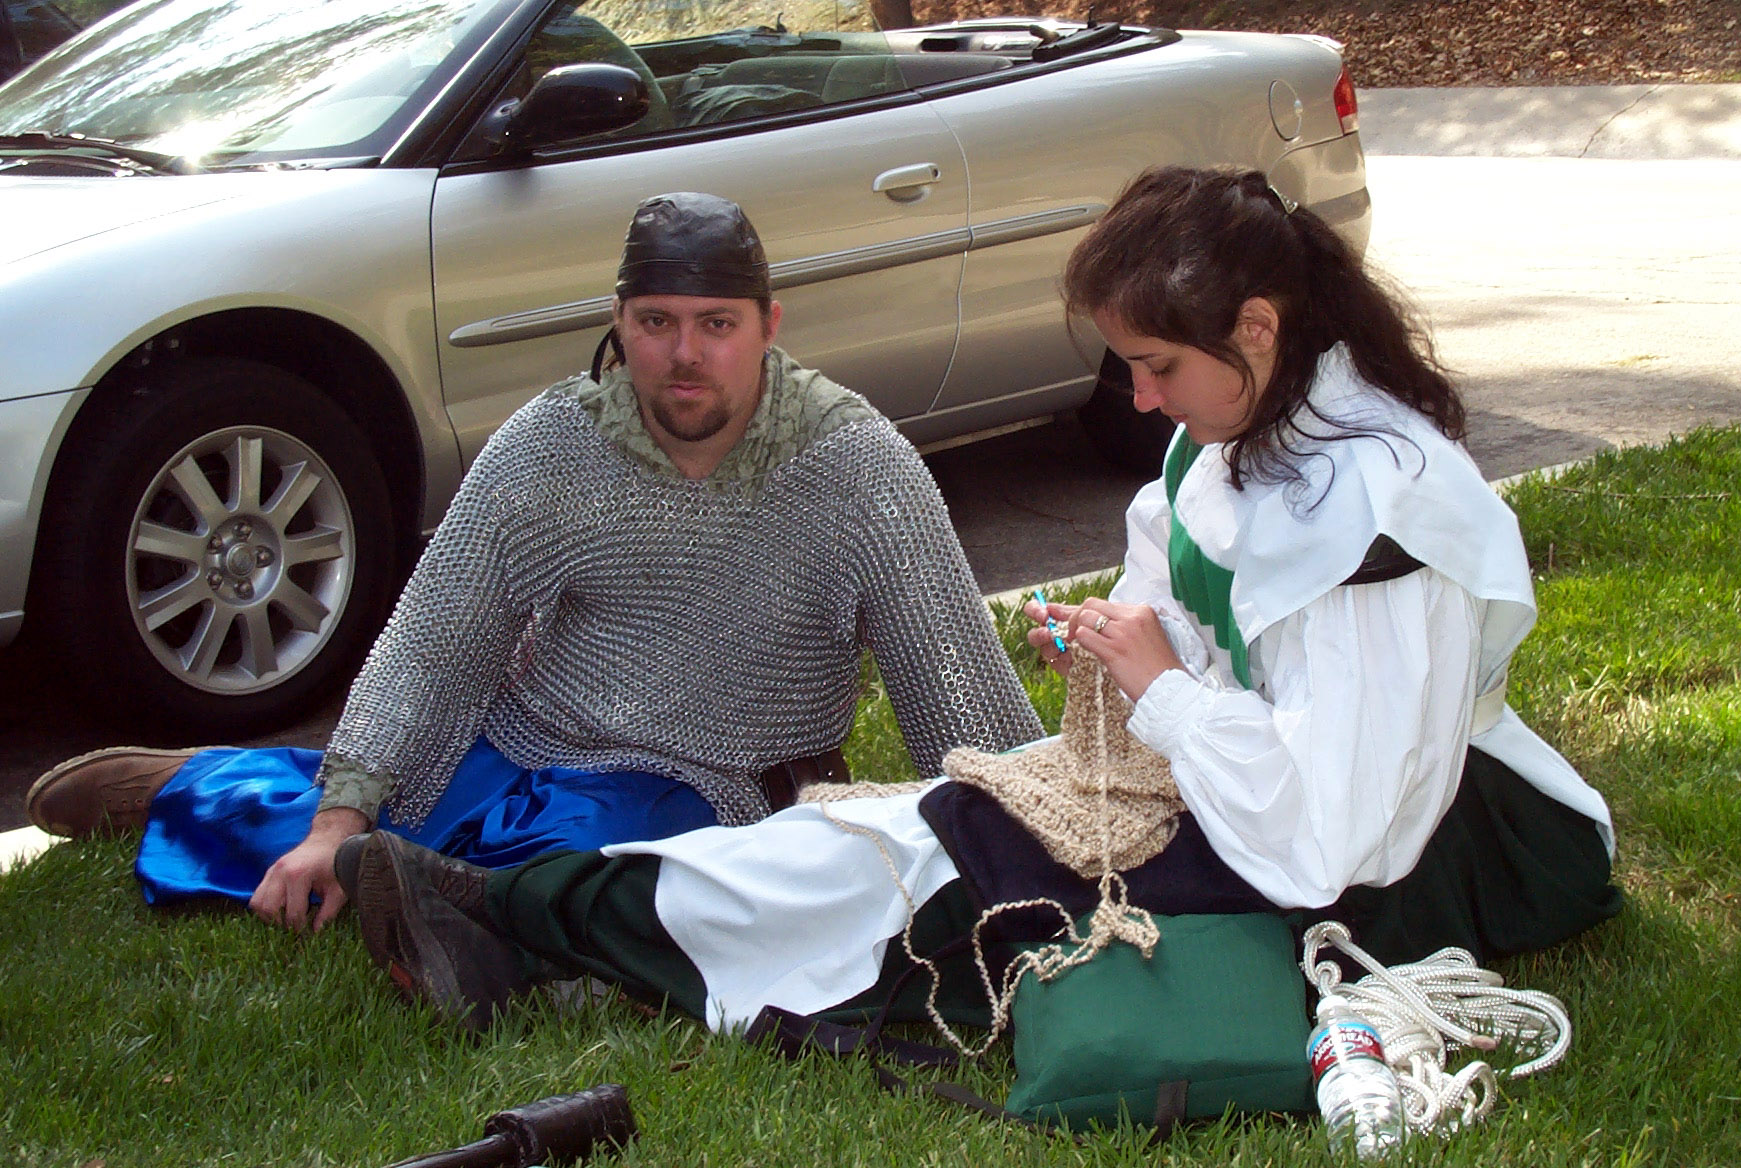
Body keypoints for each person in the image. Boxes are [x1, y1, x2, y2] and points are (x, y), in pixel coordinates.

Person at [326, 165, 1623, 1035]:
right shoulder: (1230, 438)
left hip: (1433, 847)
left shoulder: (1380, 507)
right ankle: (517, 915)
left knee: (948, 889)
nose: (1142, 401)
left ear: (1258, 331)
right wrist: (1122, 648)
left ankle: (526, 927)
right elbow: (1197, 622)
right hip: (1244, 793)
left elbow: (1334, 836)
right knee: (907, 830)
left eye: (1155, 365)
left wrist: (1162, 691)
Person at [26, 191, 1045, 933]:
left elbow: (956, 685)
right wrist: (337, 820)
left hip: (718, 782)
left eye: (716, 325)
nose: (685, 355)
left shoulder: (857, 466)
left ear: (768, 327)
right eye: (656, 323)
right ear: (619, 323)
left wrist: (1028, 832)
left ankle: (432, 895)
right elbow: (433, 643)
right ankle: (201, 787)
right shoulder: (553, 445)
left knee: (605, 874)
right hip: (527, 742)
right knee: (349, 824)